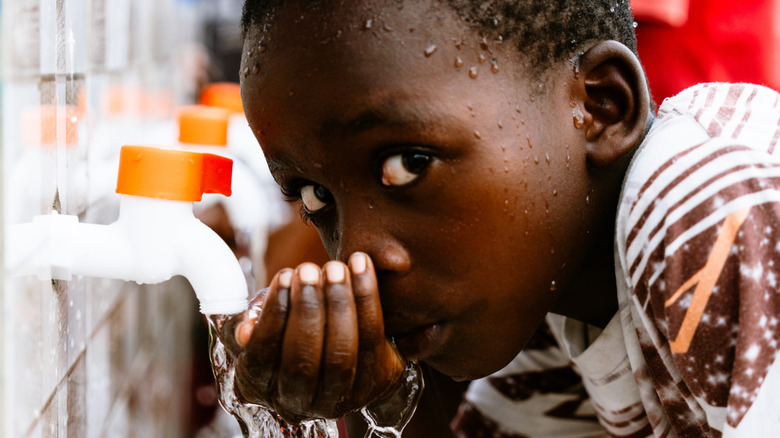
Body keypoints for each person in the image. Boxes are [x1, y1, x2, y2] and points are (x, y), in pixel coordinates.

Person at [220, 0, 780, 436]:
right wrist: (381, 399)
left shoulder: (705, 207)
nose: (358, 253)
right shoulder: (553, 288)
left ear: (600, 106)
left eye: (408, 164)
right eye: (317, 197)